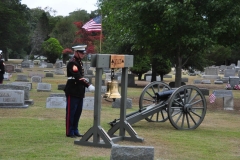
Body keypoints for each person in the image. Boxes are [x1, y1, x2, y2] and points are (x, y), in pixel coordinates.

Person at [64, 45, 95, 138]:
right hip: (72, 89)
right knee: (71, 112)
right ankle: (69, 131)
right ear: (76, 52)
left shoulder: (79, 62)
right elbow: (78, 77)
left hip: (79, 90)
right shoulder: (72, 63)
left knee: (78, 112)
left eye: (83, 53)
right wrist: (88, 85)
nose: (83, 55)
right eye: (81, 53)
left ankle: (75, 129)